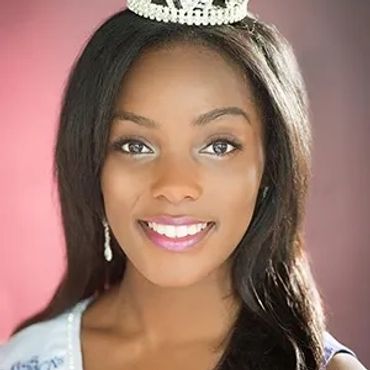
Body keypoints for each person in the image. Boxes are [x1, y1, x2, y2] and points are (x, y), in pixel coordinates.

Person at [0, 0, 366, 369]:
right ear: (92, 163)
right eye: (135, 145)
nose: (174, 186)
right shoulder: (25, 358)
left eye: (219, 146)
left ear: (270, 166)